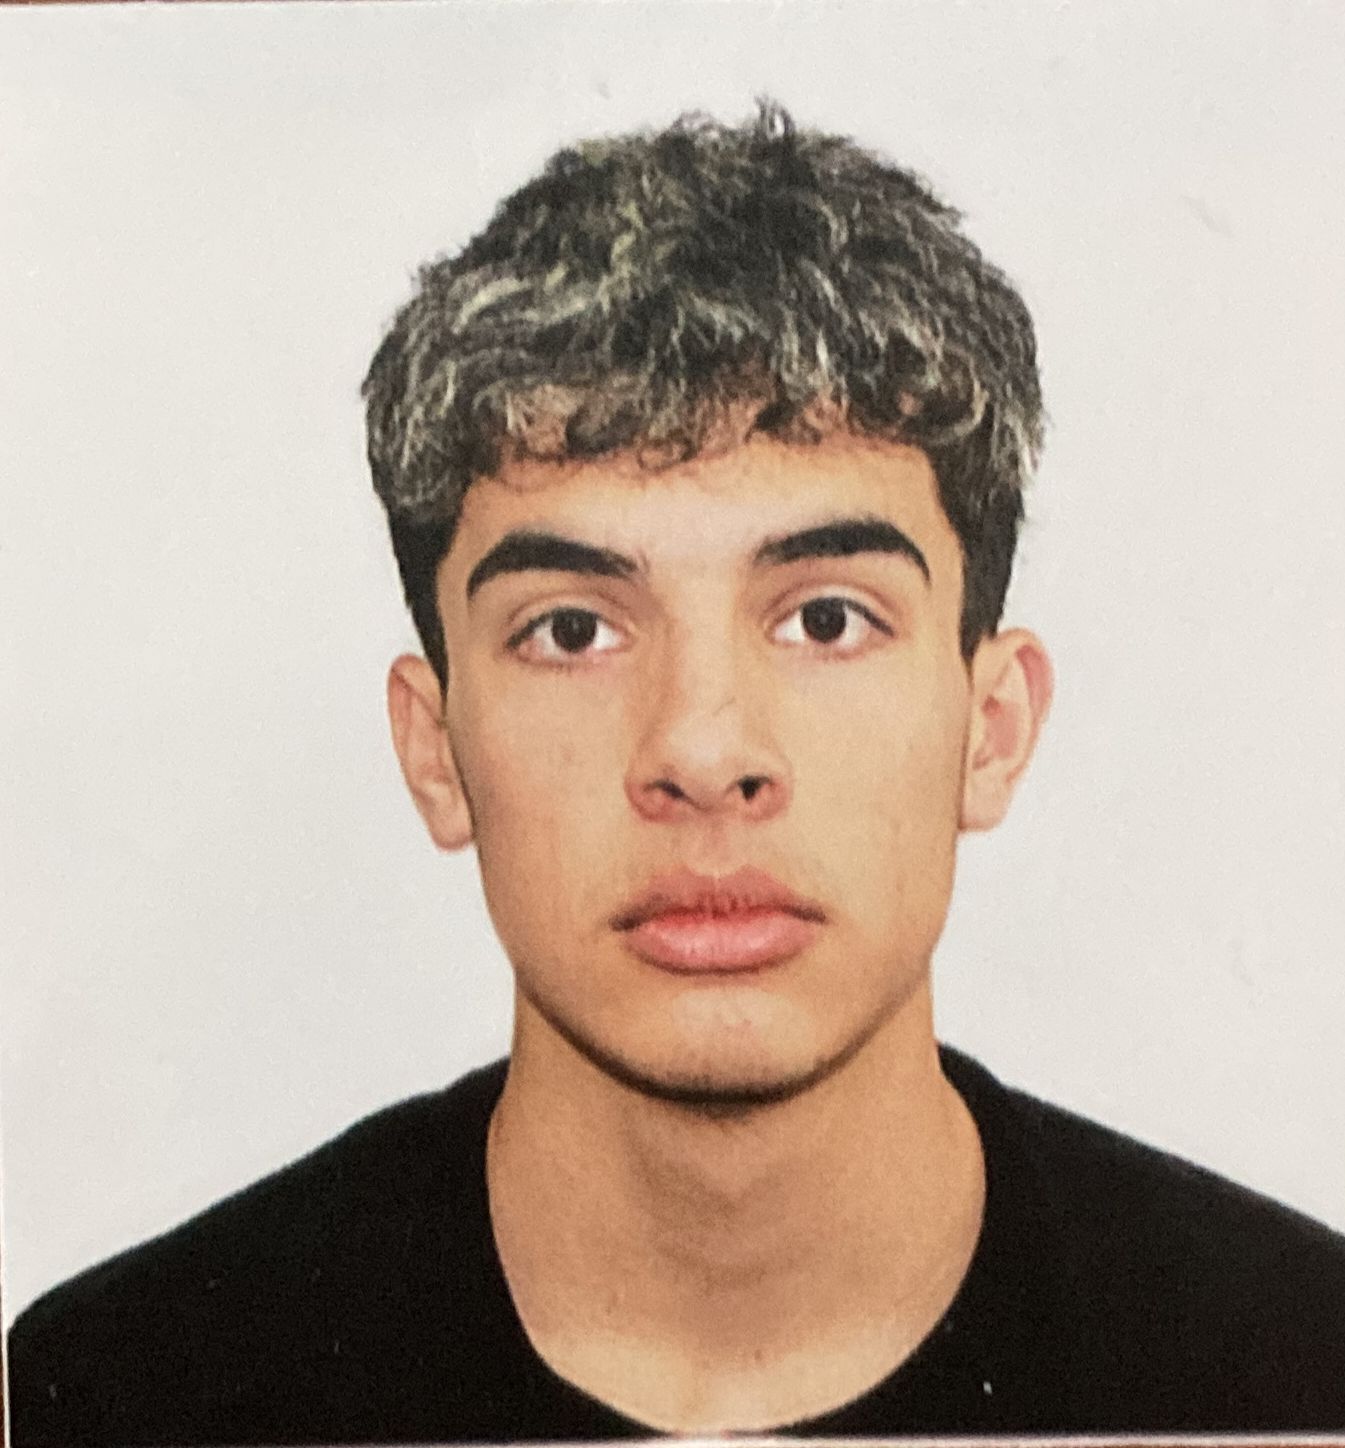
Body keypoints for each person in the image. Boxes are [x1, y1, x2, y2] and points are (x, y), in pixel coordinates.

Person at [7, 104, 1345, 1445]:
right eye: (571, 632)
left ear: (990, 728)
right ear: (435, 749)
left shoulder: (1294, 1362)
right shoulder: (108, 1397)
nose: (703, 754)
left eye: (826, 618)